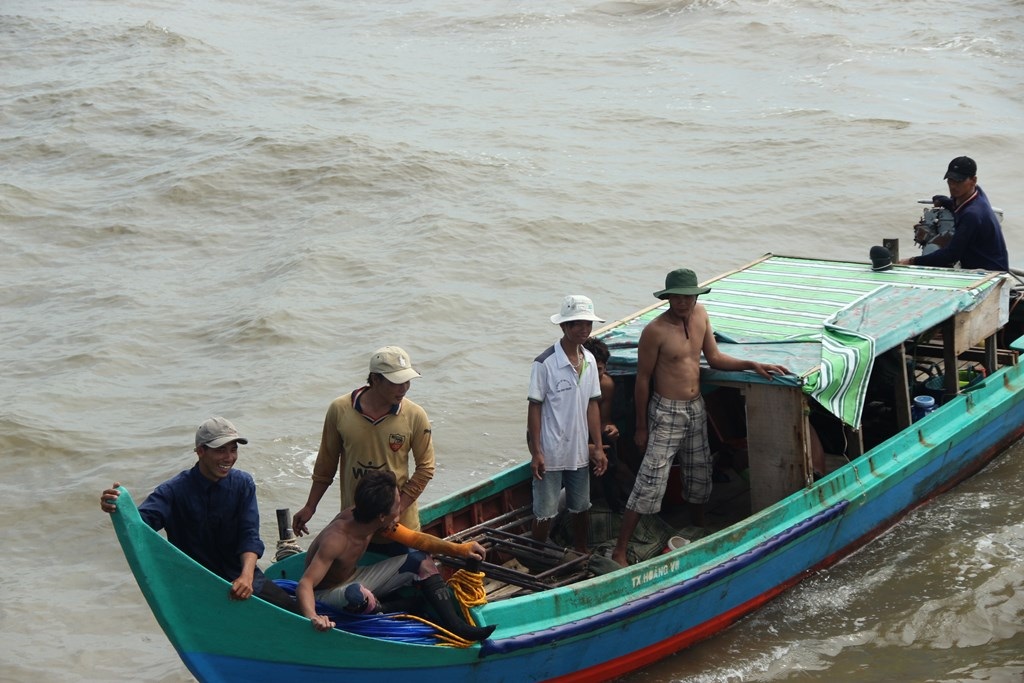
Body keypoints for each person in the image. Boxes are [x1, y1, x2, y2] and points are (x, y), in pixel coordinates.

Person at [611, 269, 789, 567]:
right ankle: (620, 550)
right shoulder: (655, 330)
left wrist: (752, 364)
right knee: (651, 478)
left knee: (699, 471)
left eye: (689, 296)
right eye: (677, 297)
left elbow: (715, 358)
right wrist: (641, 426)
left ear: (696, 297)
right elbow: (642, 379)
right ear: (668, 298)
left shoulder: (701, 315)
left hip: (695, 407)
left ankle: (698, 528)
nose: (683, 302)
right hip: (666, 411)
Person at [100, 417, 298, 612]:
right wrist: (117, 507)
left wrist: (246, 576)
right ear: (201, 451)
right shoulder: (172, 491)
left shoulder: (243, 484)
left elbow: (249, 535)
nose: (229, 458)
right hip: (195, 582)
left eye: (233, 449)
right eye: (221, 450)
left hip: (241, 577)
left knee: (295, 613)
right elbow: (138, 525)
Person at [296, 470, 495, 641]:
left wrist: (460, 549)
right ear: (382, 516)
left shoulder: (374, 520)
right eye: (397, 504)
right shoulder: (336, 539)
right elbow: (305, 583)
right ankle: (393, 607)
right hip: (328, 594)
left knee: (421, 560)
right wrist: (313, 617)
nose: (399, 509)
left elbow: (417, 540)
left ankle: (456, 626)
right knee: (356, 594)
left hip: (355, 576)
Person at [292, 346, 435, 549]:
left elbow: (426, 469)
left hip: (399, 527)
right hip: (355, 525)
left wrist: (396, 510)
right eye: (396, 383)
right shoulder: (340, 410)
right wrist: (310, 506)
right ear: (375, 379)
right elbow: (326, 464)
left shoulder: (415, 415)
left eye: (407, 381)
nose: (404, 388)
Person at [527, 295, 608, 555]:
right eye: (577, 324)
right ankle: (537, 555)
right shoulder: (545, 363)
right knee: (545, 511)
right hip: (550, 449)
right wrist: (537, 452)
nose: (584, 329)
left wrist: (597, 447)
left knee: (581, 506)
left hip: (578, 449)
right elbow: (534, 407)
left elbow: (592, 405)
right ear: (564, 326)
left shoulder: (590, 361)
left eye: (588, 324)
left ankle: (581, 550)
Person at [900, 156, 1008, 271]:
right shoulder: (975, 193)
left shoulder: (972, 215)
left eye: (959, 181)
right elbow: (957, 205)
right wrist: (944, 201)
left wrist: (911, 261)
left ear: (973, 180)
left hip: (990, 272)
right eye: (950, 180)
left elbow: (951, 255)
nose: (953, 186)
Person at [583, 336, 625, 512]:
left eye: (599, 369)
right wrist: (585, 448)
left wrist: (611, 428)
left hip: (593, 435)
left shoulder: (606, 385)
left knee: (611, 455)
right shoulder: (571, 385)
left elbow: (604, 421)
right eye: (590, 369)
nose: (595, 375)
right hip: (568, 439)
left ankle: (614, 505)